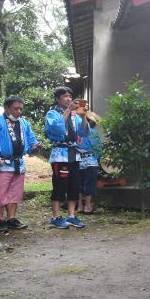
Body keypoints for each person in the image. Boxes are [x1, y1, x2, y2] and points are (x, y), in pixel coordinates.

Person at [45, 87, 89, 229]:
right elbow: (57, 129)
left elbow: (84, 132)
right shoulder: (52, 113)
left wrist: (83, 117)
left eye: (70, 96)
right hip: (60, 155)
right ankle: (56, 217)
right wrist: (69, 110)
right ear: (58, 99)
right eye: (65, 96)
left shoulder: (75, 115)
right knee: (59, 186)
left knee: (74, 186)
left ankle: (71, 216)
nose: (69, 98)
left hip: (74, 155)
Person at [0, 96, 40, 232]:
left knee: (15, 193)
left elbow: (31, 138)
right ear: (6, 108)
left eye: (21, 109)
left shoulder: (24, 123)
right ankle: (0, 221)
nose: (19, 112)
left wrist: (35, 146)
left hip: (18, 163)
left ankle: (11, 219)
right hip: (2, 162)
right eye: (15, 109)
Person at [77, 113, 101, 215]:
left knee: (78, 184)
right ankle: (87, 206)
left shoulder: (77, 132)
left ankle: (79, 206)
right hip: (90, 161)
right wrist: (97, 159)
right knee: (89, 184)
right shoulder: (93, 132)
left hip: (77, 160)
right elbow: (98, 148)